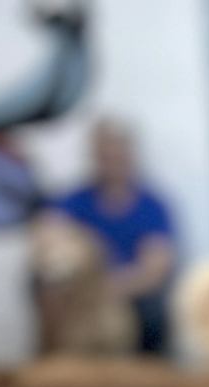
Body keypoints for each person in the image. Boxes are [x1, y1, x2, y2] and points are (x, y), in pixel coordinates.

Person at [54, 117, 175, 355]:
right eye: (104, 154)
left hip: (127, 294)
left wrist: (107, 290)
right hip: (81, 296)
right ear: (94, 156)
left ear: (130, 154)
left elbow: (155, 269)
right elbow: (50, 237)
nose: (111, 161)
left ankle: (148, 378)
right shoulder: (73, 202)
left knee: (153, 309)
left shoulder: (152, 206)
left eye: (117, 153)